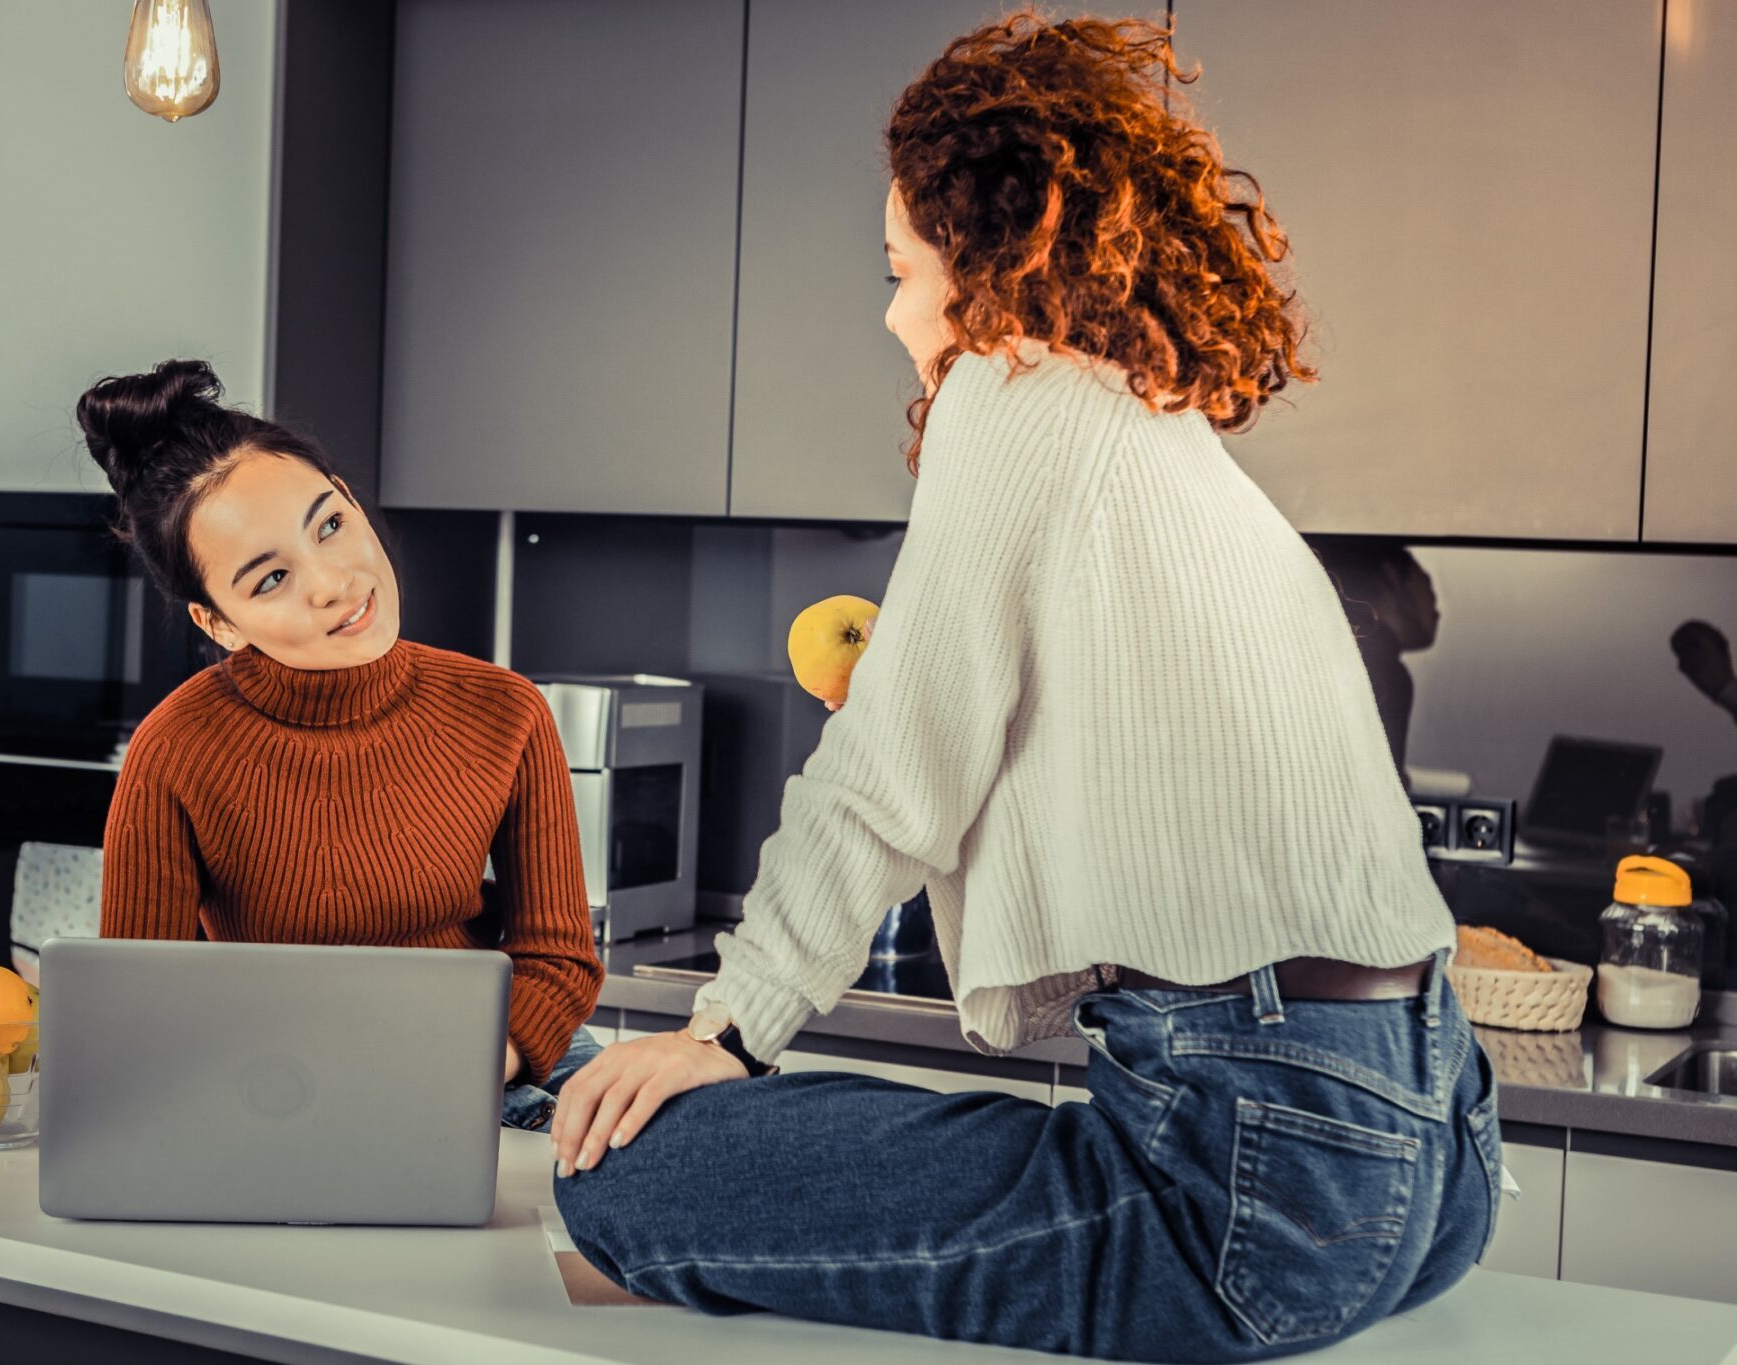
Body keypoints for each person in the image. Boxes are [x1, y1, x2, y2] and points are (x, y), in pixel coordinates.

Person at [549, 14, 1493, 1361]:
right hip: (1425, 1148)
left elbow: (891, 777)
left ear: (985, 264)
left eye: (899, 269)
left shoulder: (1016, 387)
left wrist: (729, 1028)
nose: (890, 313)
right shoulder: (1155, 431)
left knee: (626, 1176)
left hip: (1256, 1183)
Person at [81, 361, 604, 1130]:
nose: (332, 583)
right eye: (270, 580)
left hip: (502, 1066)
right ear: (217, 624)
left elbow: (559, 958)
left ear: (352, 501)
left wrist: (458, 1070)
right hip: (297, 1090)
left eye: (329, 524)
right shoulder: (176, 751)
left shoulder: (508, 709)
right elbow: (139, 1013)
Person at [1314, 538, 1441, 781]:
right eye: (1429, 587)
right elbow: (1377, 788)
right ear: (1391, 574)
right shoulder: (1383, 672)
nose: (1438, 610)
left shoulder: (1329, 653)